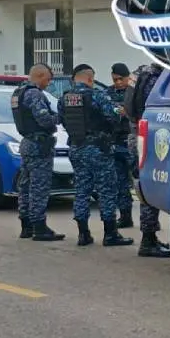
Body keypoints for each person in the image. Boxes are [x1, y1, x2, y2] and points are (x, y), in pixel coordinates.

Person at [59, 63, 134, 248]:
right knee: (107, 190)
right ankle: (110, 234)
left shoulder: (65, 98)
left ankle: (83, 234)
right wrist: (119, 111)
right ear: (91, 78)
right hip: (98, 150)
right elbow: (114, 116)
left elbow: (62, 120)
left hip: (76, 148)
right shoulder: (96, 95)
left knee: (82, 190)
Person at [124, 63, 170, 258]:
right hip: (148, 137)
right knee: (150, 185)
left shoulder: (140, 72)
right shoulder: (155, 79)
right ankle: (148, 240)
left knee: (146, 184)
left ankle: (150, 238)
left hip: (136, 134)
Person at [12, 64, 65, 241]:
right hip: (39, 146)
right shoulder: (34, 94)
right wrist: (57, 118)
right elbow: (44, 120)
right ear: (40, 75)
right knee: (39, 187)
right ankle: (39, 227)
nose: (48, 84)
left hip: (27, 143)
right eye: (48, 79)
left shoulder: (18, 93)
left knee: (25, 186)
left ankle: (26, 225)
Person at [106, 62, 136, 229]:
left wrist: (126, 112)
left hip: (132, 142)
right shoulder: (108, 92)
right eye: (115, 79)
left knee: (140, 182)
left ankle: (150, 221)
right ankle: (125, 216)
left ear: (127, 76)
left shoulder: (134, 91)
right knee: (120, 183)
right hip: (116, 143)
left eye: (120, 79)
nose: (118, 82)